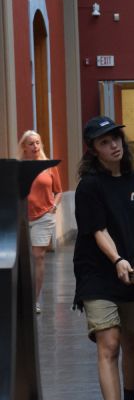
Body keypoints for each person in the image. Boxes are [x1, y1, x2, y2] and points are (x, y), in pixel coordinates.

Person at [73, 116, 134, 400]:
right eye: (105, 142)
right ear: (94, 150)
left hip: (133, 272)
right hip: (98, 273)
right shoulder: (90, 186)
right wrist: (118, 259)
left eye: (116, 138)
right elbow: (99, 230)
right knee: (109, 343)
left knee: (132, 339)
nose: (114, 145)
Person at [18, 130, 62, 314]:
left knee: (38, 256)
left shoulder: (49, 167)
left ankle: (34, 300)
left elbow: (58, 191)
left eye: (38, 142)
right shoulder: (18, 166)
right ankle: (19, 298)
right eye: (31, 143)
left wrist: (54, 207)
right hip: (21, 217)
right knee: (20, 259)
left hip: (43, 217)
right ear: (24, 147)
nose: (35, 146)